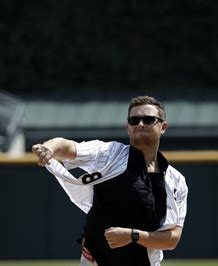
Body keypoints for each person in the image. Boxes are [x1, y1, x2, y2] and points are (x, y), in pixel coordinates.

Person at [32, 95, 188, 266]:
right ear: (127, 127)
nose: (140, 124)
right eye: (134, 120)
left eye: (148, 119)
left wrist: (133, 236)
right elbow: (67, 146)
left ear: (163, 127)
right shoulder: (109, 154)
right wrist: (49, 148)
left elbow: (172, 240)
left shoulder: (176, 181)